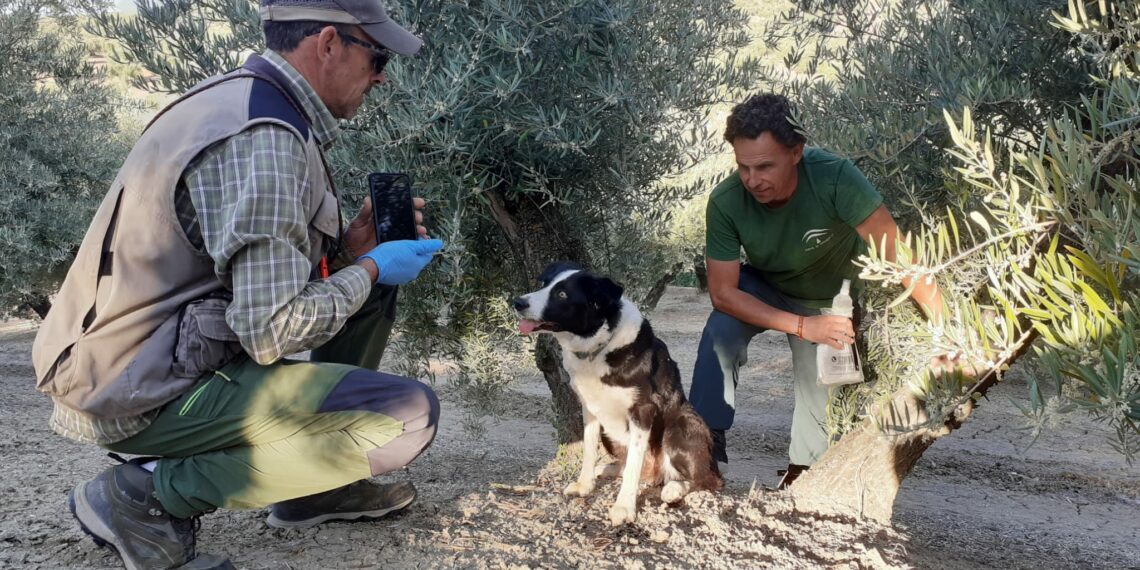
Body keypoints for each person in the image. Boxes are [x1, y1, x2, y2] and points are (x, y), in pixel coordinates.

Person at [30, 1, 444, 567]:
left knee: (371, 290)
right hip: (137, 392)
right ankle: (146, 498)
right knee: (403, 418)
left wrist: (352, 254)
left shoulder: (244, 101)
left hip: (141, 363)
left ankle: (314, 489)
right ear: (328, 44)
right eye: (377, 59)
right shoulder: (265, 138)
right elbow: (271, 330)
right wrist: (370, 267)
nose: (380, 77)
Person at [688, 93, 943, 490]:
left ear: (797, 152)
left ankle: (802, 476)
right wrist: (802, 326)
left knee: (820, 376)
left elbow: (901, 259)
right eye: (743, 167)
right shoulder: (725, 201)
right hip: (766, 287)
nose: (753, 180)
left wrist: (947, 329)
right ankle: (700, 450)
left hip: (833, 297)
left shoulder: (835, 178)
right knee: (721, 330)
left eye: (765, 166)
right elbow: (723, 293)